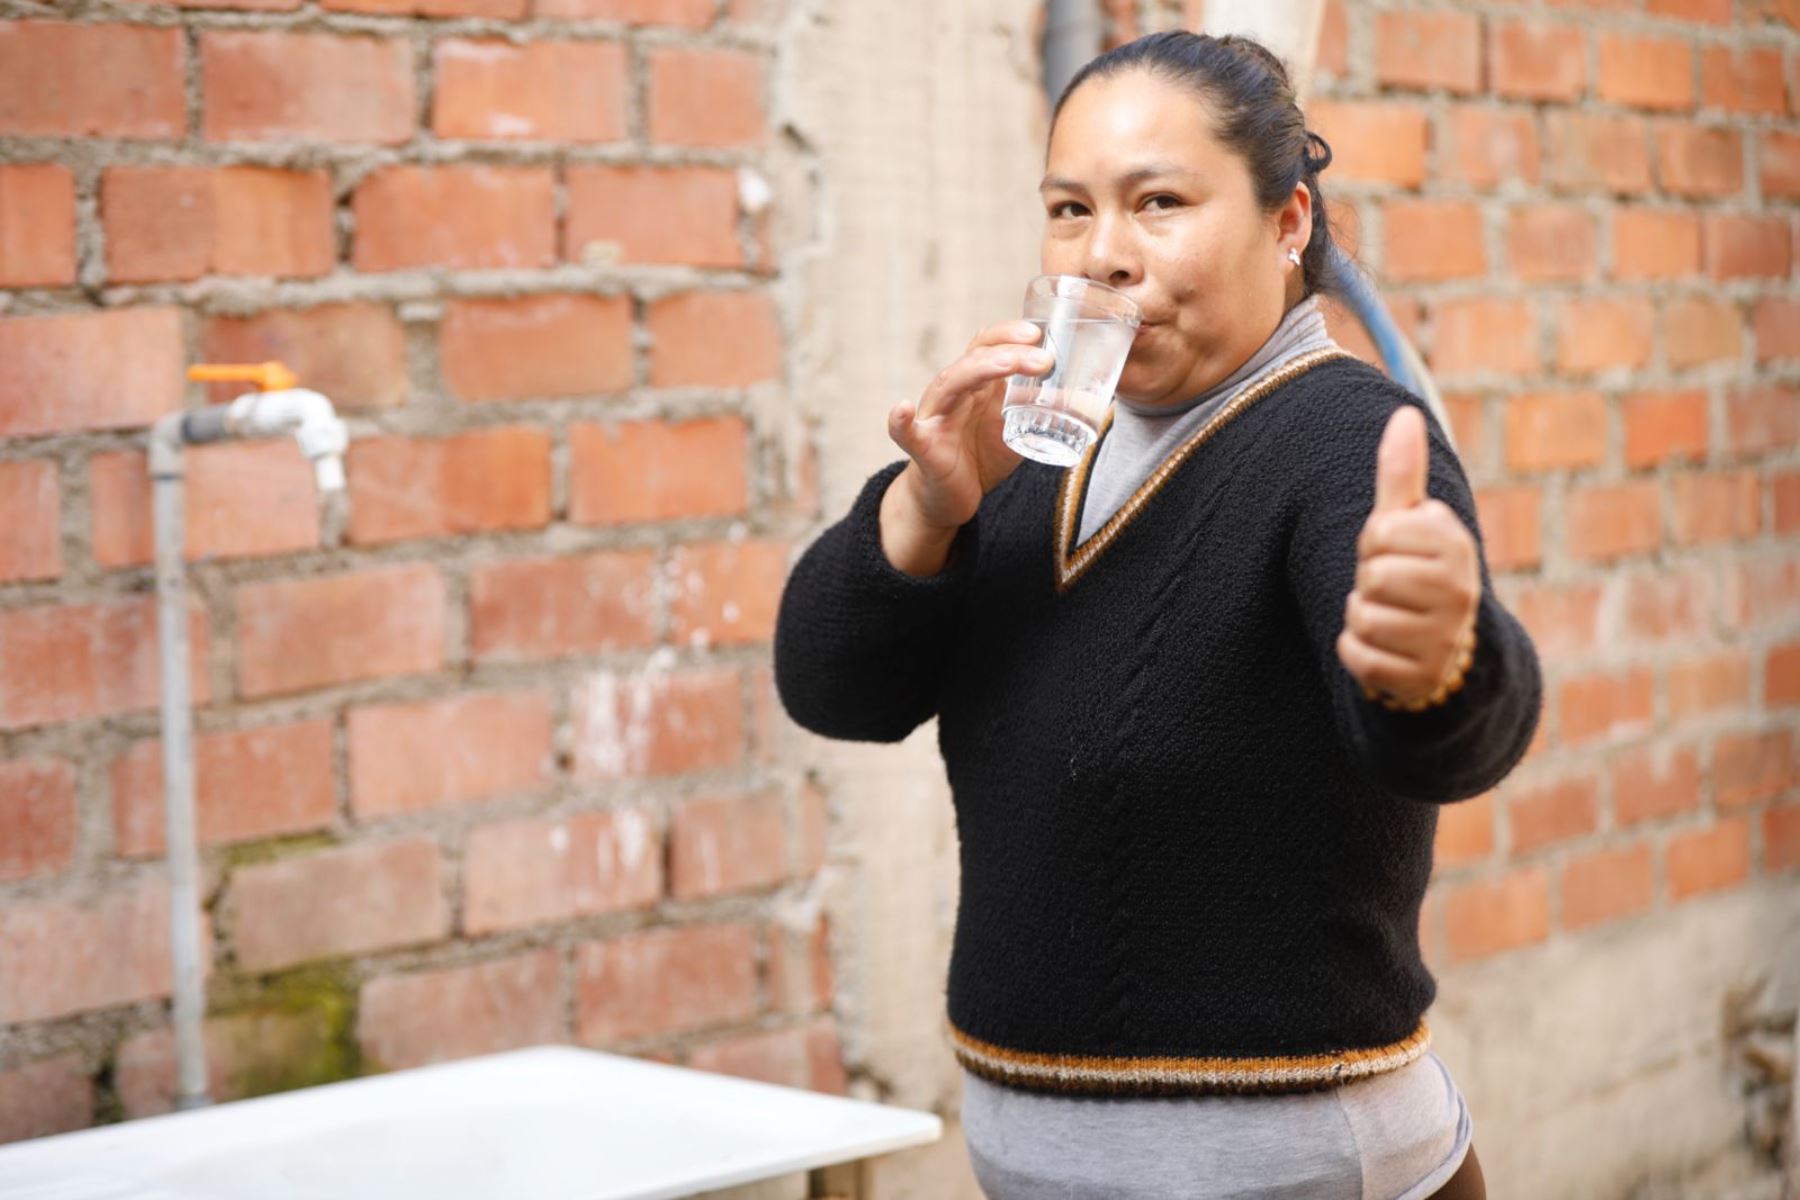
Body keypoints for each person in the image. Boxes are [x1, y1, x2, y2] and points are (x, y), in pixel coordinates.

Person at [773, 30, 1539, 1200]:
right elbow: (829, 690)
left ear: (1290, 224)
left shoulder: (1341, 440)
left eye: (1160, 203)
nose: (1106, 256)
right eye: (1070, 210)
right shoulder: (1025, 456)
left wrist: (1442, 664)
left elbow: (1438, 732)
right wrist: (923, 511)